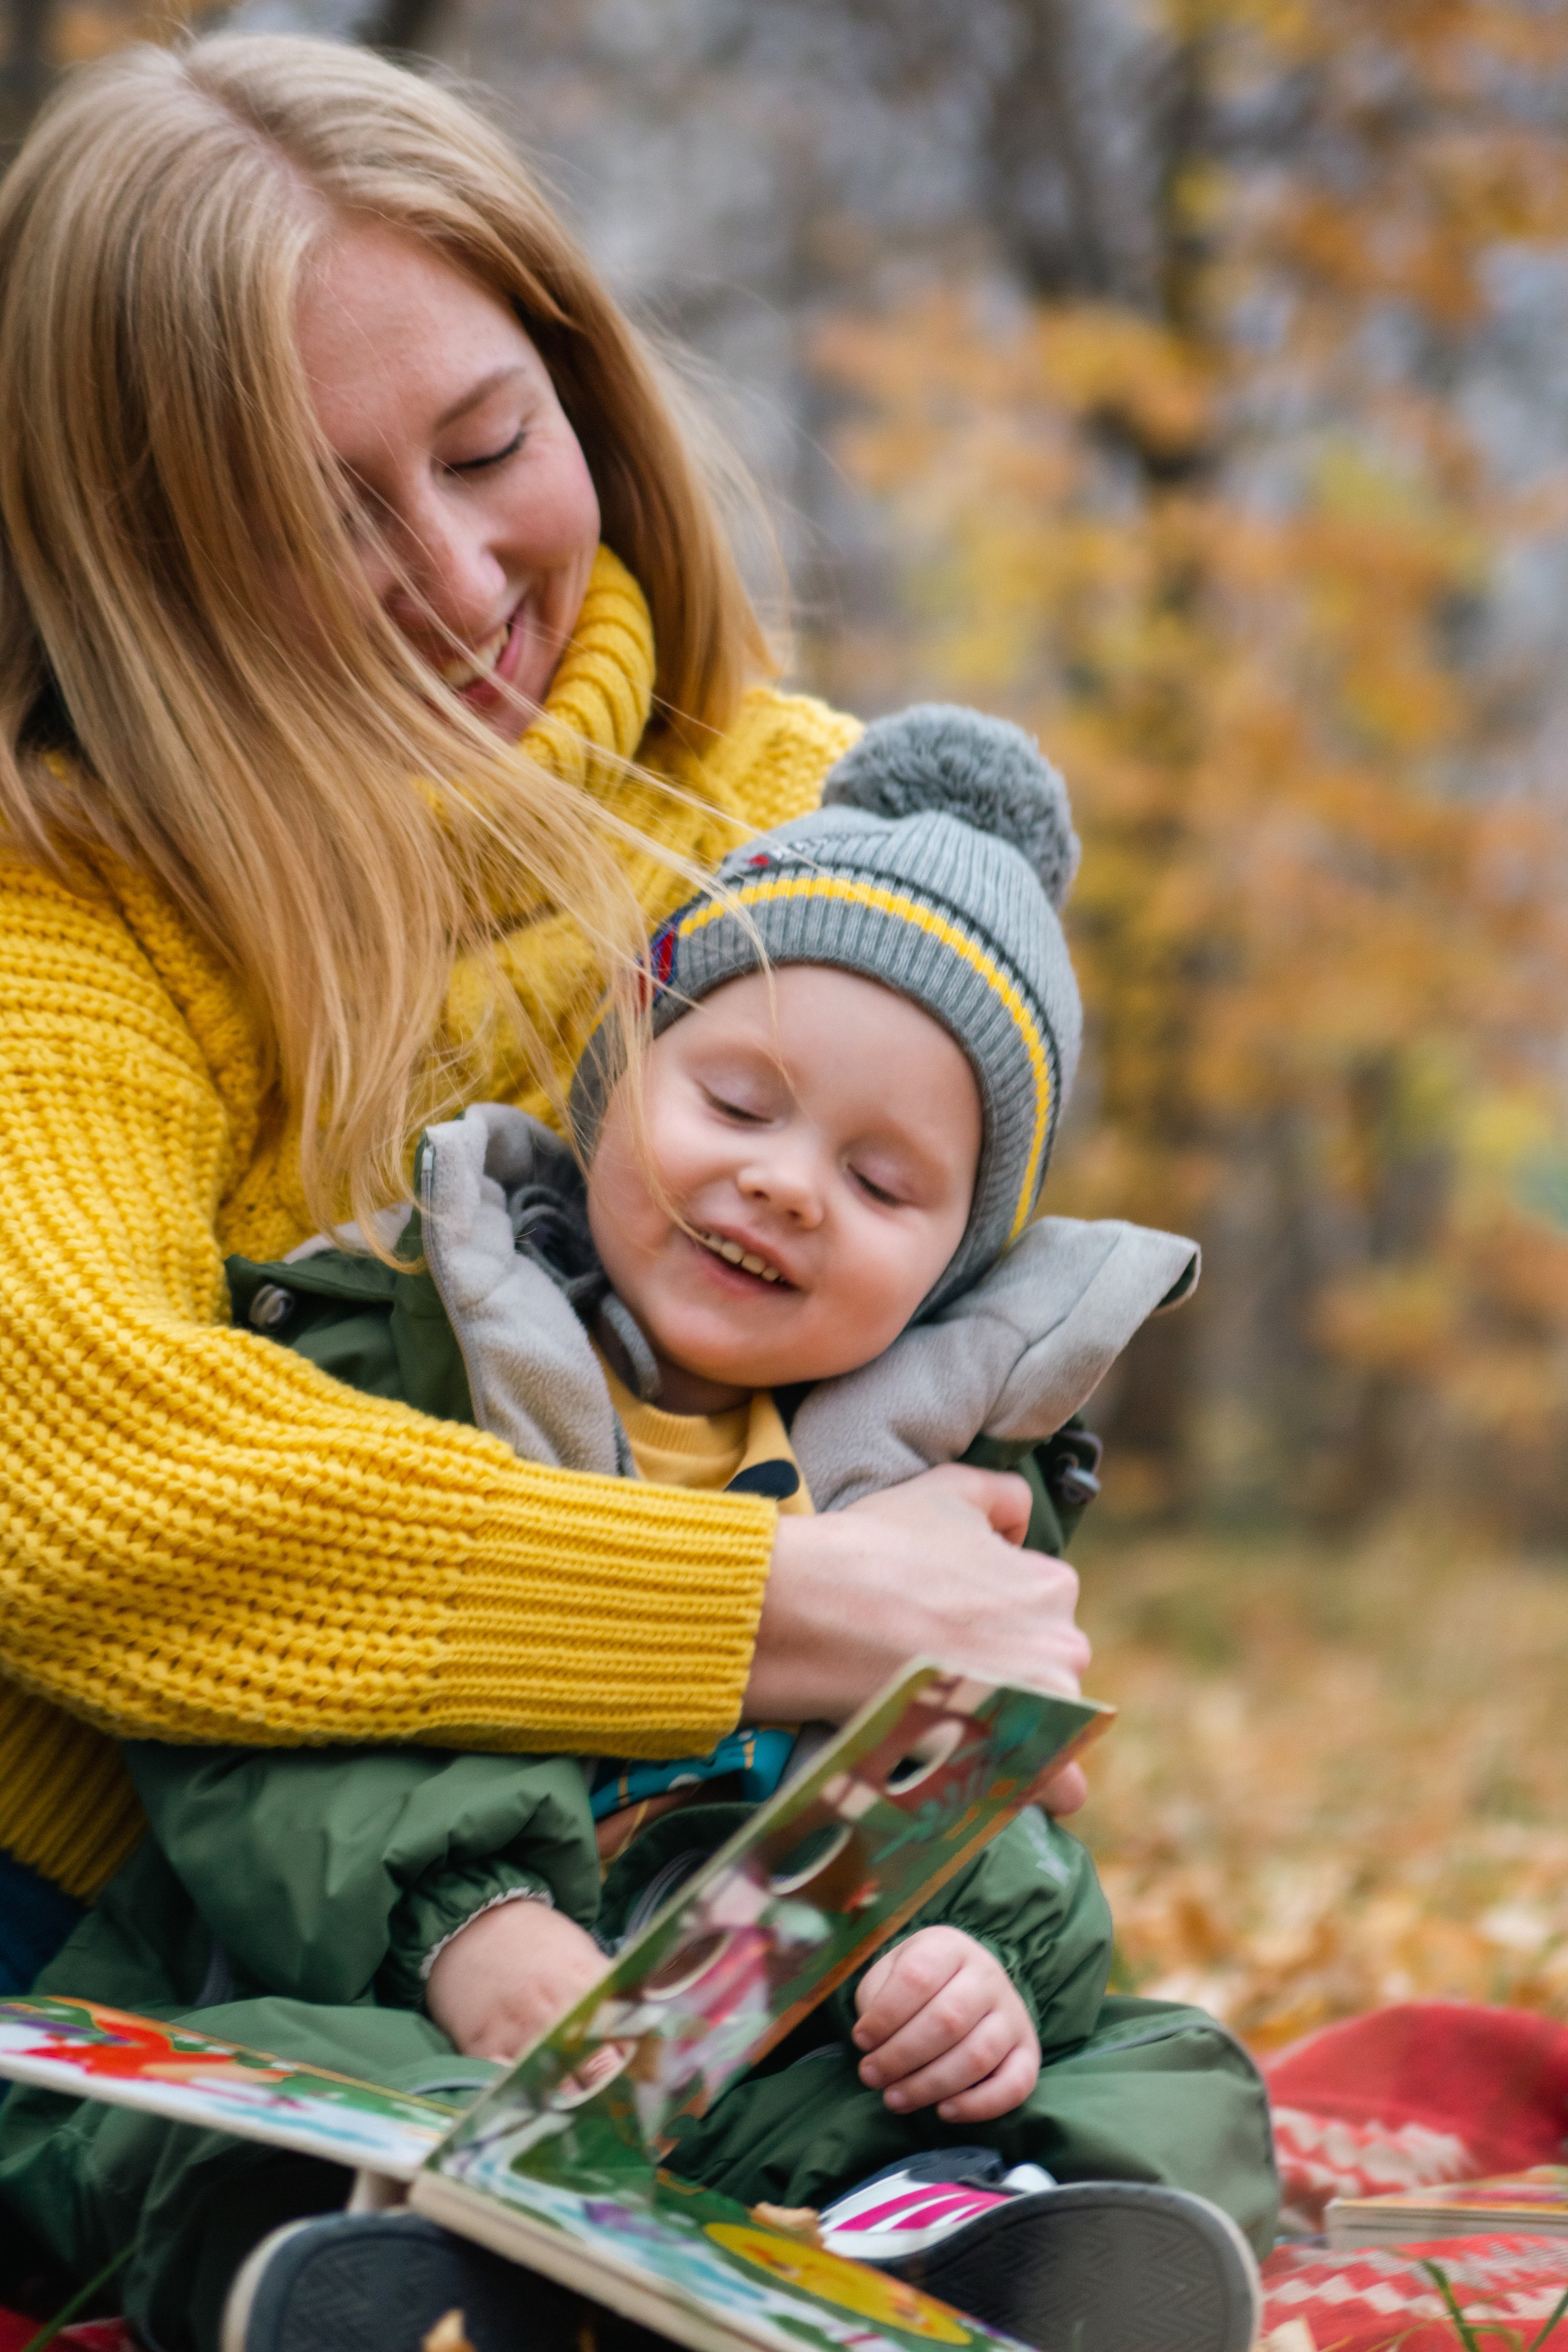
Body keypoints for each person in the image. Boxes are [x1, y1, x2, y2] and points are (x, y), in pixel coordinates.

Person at [0, 25, 1093, 2022]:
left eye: (491, 449)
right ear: (137, 557)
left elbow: (953, 1329)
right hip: (154, 1896)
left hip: (690, 1842)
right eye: (317, 516)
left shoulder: (806, 829)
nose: (454, 571)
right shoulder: (69, 905)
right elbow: (75, 1467)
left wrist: (948, 1561)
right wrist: (765, 1604)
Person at [0, 712, 1277, 2352]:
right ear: (624, 1068)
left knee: (1167, 2068)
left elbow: (996, 1800)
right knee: (255, 2097)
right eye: (738, 1102)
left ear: (958, 1261)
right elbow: (265, 1715)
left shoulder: (937, 1485)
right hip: (410, 1999)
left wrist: (971, 1965)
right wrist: (457, 1926)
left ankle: (975, 2254)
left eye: (885, 1188)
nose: (788, 1186)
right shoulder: (406, 1344)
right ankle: (406, 2275)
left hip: (771, 2056)